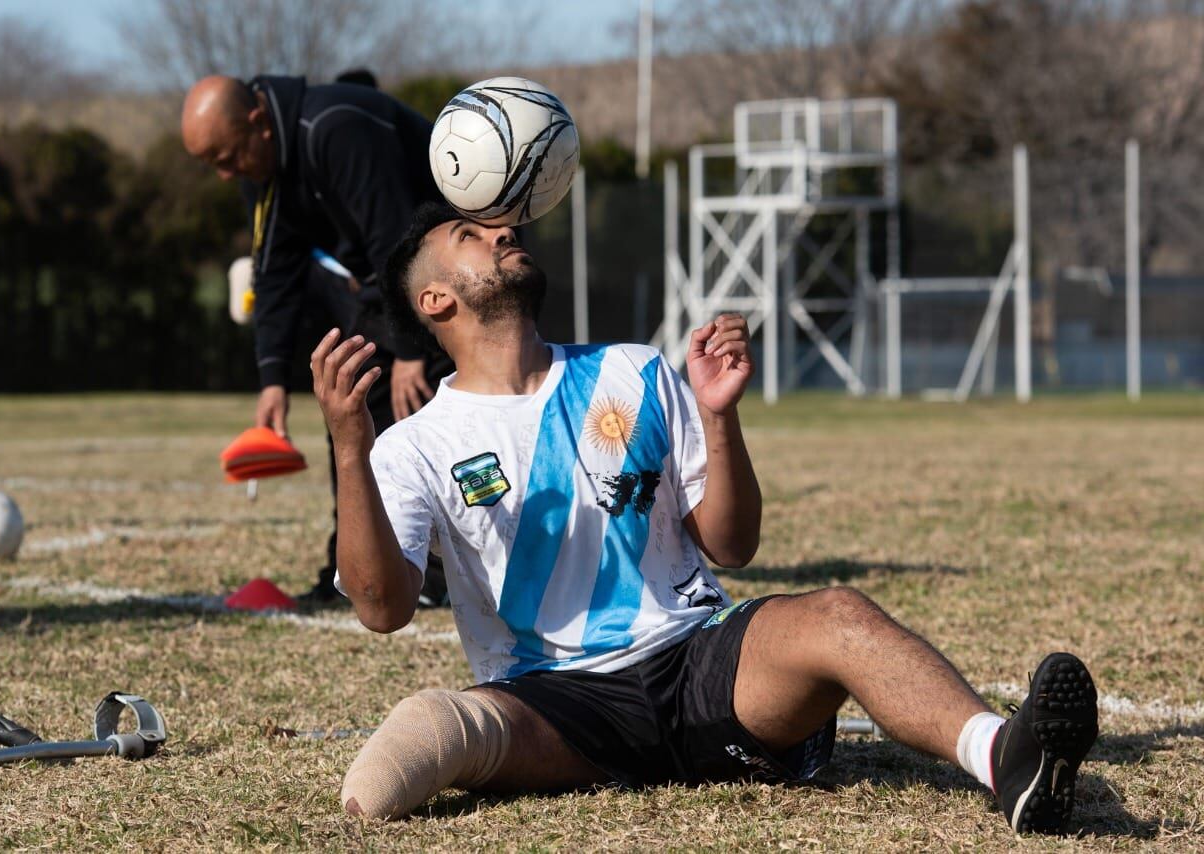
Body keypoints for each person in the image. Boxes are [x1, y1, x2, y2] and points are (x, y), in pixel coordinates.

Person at [310, 202, 1100, 835]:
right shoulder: (413, 445)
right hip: (554, 702)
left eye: (503, 224)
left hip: (702, 662)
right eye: (471, 234)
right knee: (413, 749)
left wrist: (719, 417)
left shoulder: (634, 370)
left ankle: (1007, 758)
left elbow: (733, 542)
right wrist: (351, 445)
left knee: (839, 614)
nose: (505, 230)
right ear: (435, 299)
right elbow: (383, 610)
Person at [180, 74, 454, 605]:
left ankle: (431, 577)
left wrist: (411, 353)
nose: (223, 173)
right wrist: (272, 379)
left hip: (443, 276)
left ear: (258, 123)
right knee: (351, 404)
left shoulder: (335, 128)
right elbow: (274, 272)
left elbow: (398, 238)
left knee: (417, 412)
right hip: (392, 287)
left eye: (227, 156)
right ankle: (350, 572)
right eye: (212, 162)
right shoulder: (265, 167)